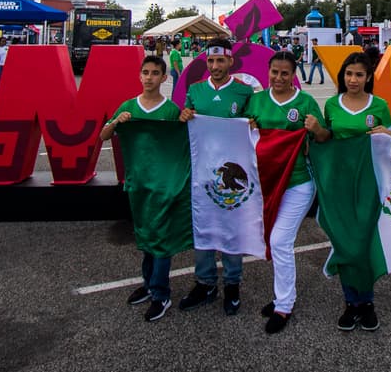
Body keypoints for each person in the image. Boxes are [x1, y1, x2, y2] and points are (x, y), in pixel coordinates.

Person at [246, 50, 329, 334]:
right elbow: (242, 136)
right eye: (274, 72)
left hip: (297, 183)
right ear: (267, 72)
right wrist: (249, 127)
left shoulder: (305, 102)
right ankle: (280, 296)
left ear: (294, 75)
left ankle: (284, 305)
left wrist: (316, 129)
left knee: (280, 241)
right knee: (271, 238)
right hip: (267, 183)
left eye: (285, 73)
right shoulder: (256, 100)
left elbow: (324, 138)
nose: (279, 78)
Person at [99, 54, 182, 322]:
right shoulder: (128, 106)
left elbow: (182, 146)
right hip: (138, 183)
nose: (149, 78)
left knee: (161, 239)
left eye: (155, 73)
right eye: (145, 72)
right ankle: (148, 283)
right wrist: (116, 122)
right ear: (139, 75)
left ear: (164, 78)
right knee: (146, 237)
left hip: (163, 185)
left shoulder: (170, 110)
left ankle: (161, 293)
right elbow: (103, 135)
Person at [178, 38, 253, 315]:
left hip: (233, 171)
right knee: (204, 225)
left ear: (230, 61)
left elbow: (253, 126)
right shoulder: (196, 90)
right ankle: (205, 283)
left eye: (220, 60)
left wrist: (251, 124)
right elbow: (185, 123)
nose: (215, 66)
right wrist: (185, 116)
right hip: (203, 171)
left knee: (231, 227)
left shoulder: (244, 91)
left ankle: (232, 284)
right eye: (210, 61)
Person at [320, 51, 391, 332]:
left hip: (368, 185)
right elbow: (327, 140)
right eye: (349, 74)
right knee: (344, 241)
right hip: (338, 184)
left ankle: (367, 302)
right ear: (342, 76)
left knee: (363, 242)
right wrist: (315, 132)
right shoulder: (331, 105)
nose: (353, 79)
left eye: (359, 75)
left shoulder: (380, 105)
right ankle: (350, 303)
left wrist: (389, 134)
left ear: (368, 77)